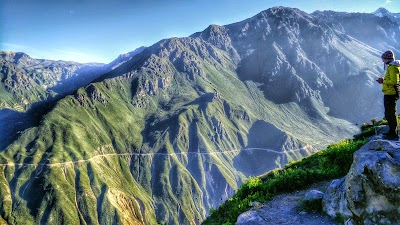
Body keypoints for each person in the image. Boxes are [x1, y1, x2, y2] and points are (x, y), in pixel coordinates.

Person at [376, 50, 400, 140]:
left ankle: (393, 133)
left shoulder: (393, 67)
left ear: (387, 59)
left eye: (383, 59)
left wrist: (383, 81)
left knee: (390, 113)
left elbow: (394, 81)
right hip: (390, 92)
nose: (383, 61)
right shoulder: (392, 66)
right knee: (389, 113)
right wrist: (384, 80)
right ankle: (392, 131)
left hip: (391, 93)